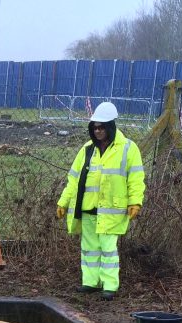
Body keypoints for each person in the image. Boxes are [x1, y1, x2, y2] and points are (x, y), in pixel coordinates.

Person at [56, 101, 145, 300]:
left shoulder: (128, 149)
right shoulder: (87, 149)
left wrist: (135, 201)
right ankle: (90, 282)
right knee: (89, 249)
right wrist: (63, 202)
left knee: (108, 250)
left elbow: (136, 178)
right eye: (95, 127)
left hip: (112, 211)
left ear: (111, 127)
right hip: (88, 209)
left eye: (102, 127)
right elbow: (73, 179)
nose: (98, 131)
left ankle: (110, 286)